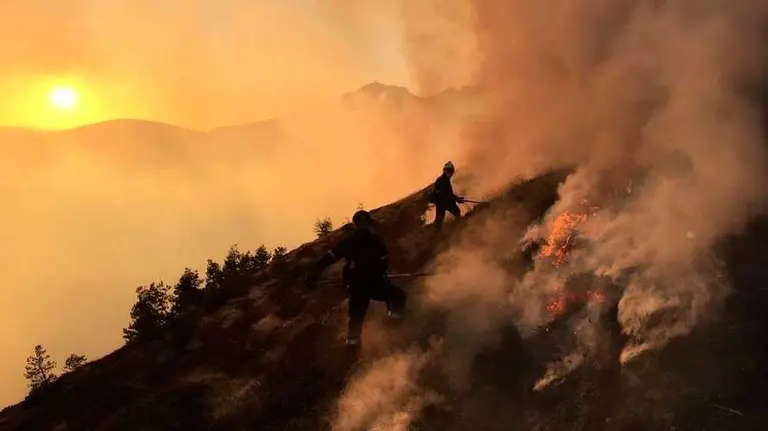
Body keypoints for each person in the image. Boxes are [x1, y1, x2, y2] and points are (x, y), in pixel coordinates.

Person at [304, 210, 406, 346]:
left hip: (356, 286)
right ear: (369, 224)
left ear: (355, 225)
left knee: (356, 319)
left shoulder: (348, 242)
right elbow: (384, 262)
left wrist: (313, 276)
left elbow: (327, 259)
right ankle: (394, 327)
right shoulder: (376, 240)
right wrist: (380, 272)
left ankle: (352, 348)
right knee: (398, 296)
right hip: (375, 284)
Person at [431, 161, 464, 232]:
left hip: (445, 202)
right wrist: (456, 199)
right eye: (449, 171)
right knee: (439, 220)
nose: (451, 173)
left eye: (451, 171)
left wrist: (457, 198)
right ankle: (435, 235)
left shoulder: (446, 180)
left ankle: (458, 228)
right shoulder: (440, 180)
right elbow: (444, 194)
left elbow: (449, 193)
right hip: (441, 203)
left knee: (456, 212)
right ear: (445, 170)